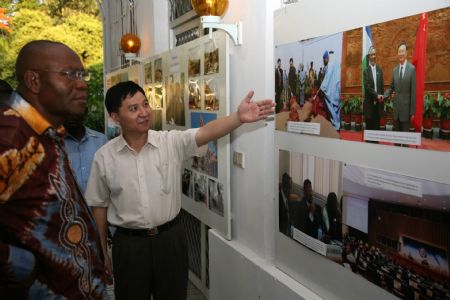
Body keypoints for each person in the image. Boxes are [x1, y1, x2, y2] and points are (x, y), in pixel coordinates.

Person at [85, 81, 274, 300]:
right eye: (133, 108)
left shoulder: (169, 142)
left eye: (145, 104)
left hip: (170, 239)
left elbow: (204, 132)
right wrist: (101, 250)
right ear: (115, 117)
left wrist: (238, 118)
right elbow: (99, 205)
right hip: (129, 245)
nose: (144, 112)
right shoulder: (104, 157)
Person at [0, 40, 108, 298]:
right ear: (34, 81)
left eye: (82, 75)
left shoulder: (46, 133)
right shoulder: (11, 137)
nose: (82, 84)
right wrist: (20, 266)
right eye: (70, 75)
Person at [64, 112, 108, 194]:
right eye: (67, 111)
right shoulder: (56, 143)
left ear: (85, 111)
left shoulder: (101, 140)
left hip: (99, 204)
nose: (70, 116)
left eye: (74, 111)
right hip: (70, 205)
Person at [384, 42, 416, 133]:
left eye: (402, 51)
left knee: (405, 140)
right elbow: (391, 87)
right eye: (399, 51)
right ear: (397, 54)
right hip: (396, 112)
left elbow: (413, 92)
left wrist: (412, 112)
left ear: (406, 53)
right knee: (396, 140)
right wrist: (383, 96)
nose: (401, 54)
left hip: (406, 112)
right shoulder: (395, 70)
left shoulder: (412, 69)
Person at [317, 50, 341, 130]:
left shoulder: (330, 64)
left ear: (326, 58)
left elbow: (327, 78)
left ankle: (336, 125)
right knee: (336, 108)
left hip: (331, 91)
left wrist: (321, 88)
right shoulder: (337, 63)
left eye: (324, 59)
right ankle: (338, 124)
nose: (324, 61)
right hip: (337, 90)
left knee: (331, 108)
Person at [363, 46, 384, 134]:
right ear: (369, 56)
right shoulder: (366, 71)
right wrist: (376, 95)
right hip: (369, 107)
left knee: (377, 132)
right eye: (371, 55)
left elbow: (382, 87)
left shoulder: (380, 70)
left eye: (374, 54)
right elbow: (367, 87)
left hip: (378, 106)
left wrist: (382, 97)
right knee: (369, 132)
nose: (373, 56)